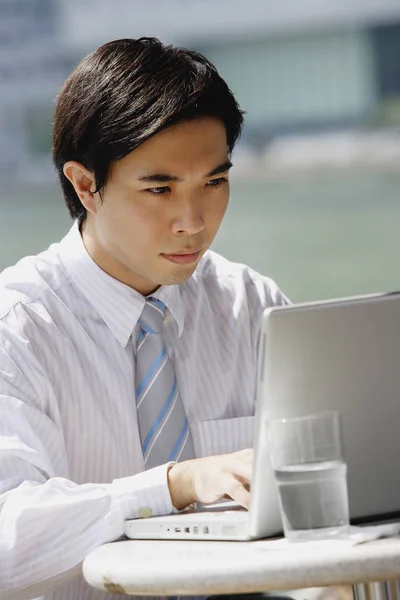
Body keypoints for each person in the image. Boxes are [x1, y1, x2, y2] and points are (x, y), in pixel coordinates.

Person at [0, 38, 289, 600]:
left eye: (215, 181)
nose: (193, 221)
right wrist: (172, 487)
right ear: (86, 185)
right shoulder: (16, 328)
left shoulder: (252, 305)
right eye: (160, 188)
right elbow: (7, 538)